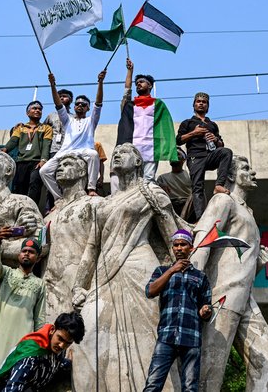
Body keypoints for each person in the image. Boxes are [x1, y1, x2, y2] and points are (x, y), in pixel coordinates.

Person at [71, 143, 183, 392]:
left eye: (125, 151)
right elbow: (92, 248)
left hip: (140, 270)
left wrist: (183, 272)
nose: (117, 155)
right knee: (91, 337)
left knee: (146, 338)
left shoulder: (151, 193)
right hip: (104, 273)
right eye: (115, 153)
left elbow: (174, 239)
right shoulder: (103, 204)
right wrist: (79, 284)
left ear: (139, 162)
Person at [191, 155, 268, 391]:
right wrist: (190, 286)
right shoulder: (223, 200)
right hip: (221, 298)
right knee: (210, 372)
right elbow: (203, 242)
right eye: (245, 168)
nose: (252, 172)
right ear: (231, 175)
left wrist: (259, 266)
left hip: (246, 300)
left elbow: (238, 260)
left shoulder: (248, 213)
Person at [143, 229, 212, 392]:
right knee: (153, 385)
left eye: (183, 245)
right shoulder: (161, 271)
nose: (179, 248)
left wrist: (205, 311)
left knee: (190, 388)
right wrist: (172, 270)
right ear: (173, 248)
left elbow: (206, 307)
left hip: (191, 338)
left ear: (191, 248)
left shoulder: (200, 277)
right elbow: (150, 291)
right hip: (167, 336)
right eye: (176, 245)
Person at [42, 154, 103, 321]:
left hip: (79, 288)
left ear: (83, 171)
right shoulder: (49, 217)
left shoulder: (95, 204)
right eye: (59, 165)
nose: (60, 168)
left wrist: (83, 286)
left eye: (67, 164)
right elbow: (41, 249)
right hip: (48, 289)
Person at [0, 233, 46, 375]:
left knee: (15, 377)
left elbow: (39, 317)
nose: (26, 254)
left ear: (38, 258)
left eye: (31, 252)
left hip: (22, 339)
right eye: (24, 251)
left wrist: (39, 343)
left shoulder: (40, 284)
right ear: (19, 255)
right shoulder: (7, 273)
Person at [39, 70, 107, 199]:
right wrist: (53, 85)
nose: (80, 105)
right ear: (74, 106)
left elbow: (98, 103)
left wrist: (100, 82)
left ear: (88, 108)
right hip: (65, 151)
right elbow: (58, 104)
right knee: (44, 171)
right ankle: (58, 198)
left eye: (84, 104)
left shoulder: (91, 120)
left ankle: (91, 188)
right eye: (77, 104)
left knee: (93, 155)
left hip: (84, 150)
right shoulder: (67, 119)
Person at [115, 58, 177, 186]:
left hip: (151, 148)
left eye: (142, 82)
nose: (138, 84)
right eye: (136, 82)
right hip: (133, 148)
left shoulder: (158, 105)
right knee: (131, 181)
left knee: (148, 180)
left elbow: (166, 127)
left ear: (150, 85)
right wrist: (130, 71)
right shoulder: (130, 105)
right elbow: (127, 90)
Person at [176, 92, 233, 220]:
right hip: (195, 157)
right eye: (198, 101)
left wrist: (216, 140)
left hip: (210, 156)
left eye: (204, 102)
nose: (201, 103)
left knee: (226, 152)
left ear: (207, 106)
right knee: (198, 187)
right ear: (194, 104)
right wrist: (194, 133)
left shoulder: (212, 124)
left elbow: (221, 145)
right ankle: (201, 219)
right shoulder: (188, 122)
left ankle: (219, 185)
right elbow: (178, 140)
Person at [2, 101, 53, 205]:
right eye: (34, 108)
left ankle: (31, 208)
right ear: (27, 113)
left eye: (40, 109)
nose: (37, 110)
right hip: (21, 162)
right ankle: (19, 208)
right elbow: (13, 141)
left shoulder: (46, 128)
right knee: (19, 186)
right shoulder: (20, 128)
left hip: (37, 162)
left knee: (35, 184)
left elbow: (46, 145)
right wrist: (5, 149)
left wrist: (43, 160)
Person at [43, 88, 73, 211]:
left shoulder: (74, 116)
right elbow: (43, 130)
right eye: (59, 96)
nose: (61, 98)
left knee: (65, 177)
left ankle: (65, 203)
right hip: (53, 150)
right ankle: (49, 206)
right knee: (51, 177)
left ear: (70, 99)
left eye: (65, 96)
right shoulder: (51, 116)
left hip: (68, 150)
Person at [156, 148, 193, 219]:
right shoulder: (162, 178)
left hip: (188, 208)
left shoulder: (190, 176)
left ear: (183, 160)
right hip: (170, 209)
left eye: (178, 154)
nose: (175, 157)